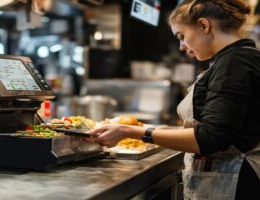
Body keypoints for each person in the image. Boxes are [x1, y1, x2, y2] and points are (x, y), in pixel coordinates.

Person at [85, 0, 260, 199]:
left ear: (204, 25)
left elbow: (211, 137)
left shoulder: (234, 63)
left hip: (237, 183)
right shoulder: (232, 59)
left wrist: (131, 131)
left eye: (182, 36)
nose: (182, 47)